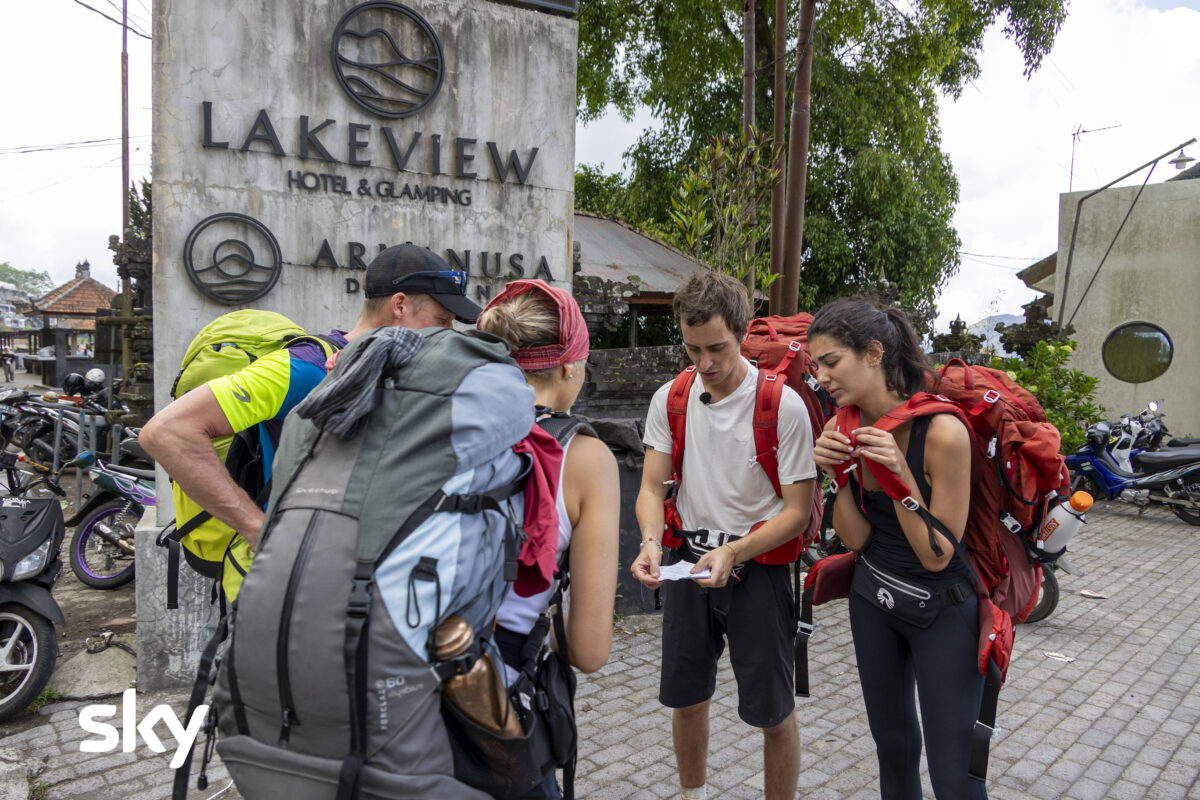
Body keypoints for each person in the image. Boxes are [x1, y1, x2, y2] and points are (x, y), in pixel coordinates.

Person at [140, 243, 481, 597]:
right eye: (441, 321)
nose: (447, 334)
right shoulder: (306, 368)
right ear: (400, 306)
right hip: (285, 588)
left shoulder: (390, 371)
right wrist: (256, 528)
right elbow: (168, 432)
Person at [631, 271, 816, 800]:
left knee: (773, 712)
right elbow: (650, 485)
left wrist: (733, 552)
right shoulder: (672, 397)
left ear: (740, 333)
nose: (705, 363)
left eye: (717, 348)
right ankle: (693, 794)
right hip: (688, 559)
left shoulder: (782, 406)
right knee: (686, 698)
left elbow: (797, 512)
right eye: (693, 349)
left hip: (759, 567)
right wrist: (649, 540)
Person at [807, 296, 982, 800]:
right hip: (875, 598)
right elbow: (858, 538)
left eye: (831, 362)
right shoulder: (847, 425)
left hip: (941, 609)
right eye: (815, 365)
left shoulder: (942, 433)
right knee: (894, 748)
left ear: (874, 353)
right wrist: (836, 476)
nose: (821, 377)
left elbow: (938, 554)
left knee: (954, 775)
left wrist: (900, 477)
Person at [476, 279, 620, 799]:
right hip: (495, 700)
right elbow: (590, 648)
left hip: (394, 686)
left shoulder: (437, 423)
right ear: (569, 367)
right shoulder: (584, 459)